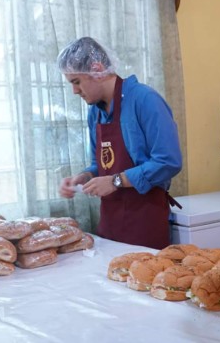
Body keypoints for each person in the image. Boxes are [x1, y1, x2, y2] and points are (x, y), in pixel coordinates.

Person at [57, 37, 182, 250]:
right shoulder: (95, 113)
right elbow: (102, 164)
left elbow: (168, 161)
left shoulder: (145, 100)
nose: (74, 91)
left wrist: (115, 181)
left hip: (144, 221)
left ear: (97, 70)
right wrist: (86, 176)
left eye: (76, 82)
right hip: (110, 222)